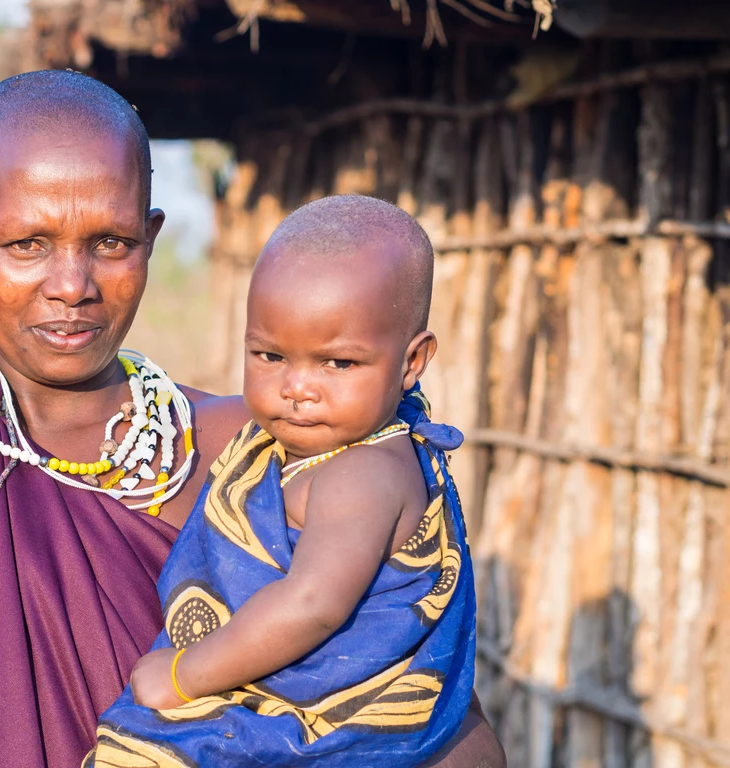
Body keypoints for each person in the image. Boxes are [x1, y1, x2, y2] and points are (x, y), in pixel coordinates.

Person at [0, 72, 503, 768]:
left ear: (152, 242)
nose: (72, 284)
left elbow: (429, 702)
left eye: (111, 242)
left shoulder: (264, 457)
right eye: (27, 243)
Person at [86, 195, 480, 767]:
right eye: (270, 355)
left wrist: (184, 675)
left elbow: (313, 604)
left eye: (337, 363)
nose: (297, 387)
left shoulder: (365, 472)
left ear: (413, 361)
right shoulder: (284, 449)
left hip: (318, 722)